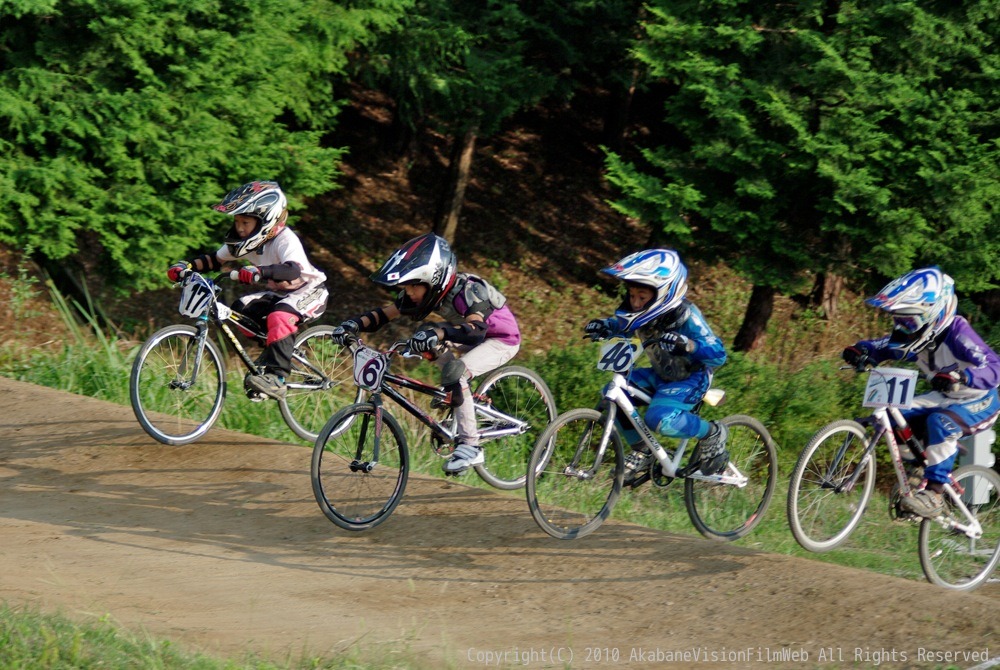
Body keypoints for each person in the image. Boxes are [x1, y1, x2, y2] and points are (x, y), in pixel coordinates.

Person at [330, 232, 521, 475]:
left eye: (412, 286)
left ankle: (470, 445)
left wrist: (440, 334)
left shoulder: (469, 291)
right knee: (425, 335)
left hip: (500, 340)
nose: (407, 292)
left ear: (434, 280)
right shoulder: (426, 293)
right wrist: (352, 324)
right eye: (405, 286)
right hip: (469, 336)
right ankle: (454, 392)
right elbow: (382, 314)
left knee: (453, 369)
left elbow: (476, 330)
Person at [842, 267, 1000, 518]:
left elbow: (994, 367)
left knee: (941, 421)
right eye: (898, 320)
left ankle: (935, 494)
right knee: (895, 415)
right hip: (947, 396)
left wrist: (963, 376)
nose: (903, 328)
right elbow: (885, 346)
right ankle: (920, 469)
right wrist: (862, 350)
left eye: (909, 321)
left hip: (980, 399)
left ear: (934, 316)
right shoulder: (919, 337)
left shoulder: (958, 334)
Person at [167, 180, 328, 400]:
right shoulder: (246, 242)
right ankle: (278, 351)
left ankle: (277, 378)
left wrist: (260, 271)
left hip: (310, 291)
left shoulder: (285, 240)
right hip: (279, 294)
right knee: (238, 311)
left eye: (245, 222)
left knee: (280, 315)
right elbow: (214, 260)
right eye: (237, 221)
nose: (240, 227)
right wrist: (186, 266)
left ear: (265, 220)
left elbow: (292, 271)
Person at [584, 248, 729, 480]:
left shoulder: (687, 316)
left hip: (691, 378)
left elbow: (719, 354)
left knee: (658, 418)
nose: (635, 303)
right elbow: (620, 325)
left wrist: (690, 345)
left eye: (642, 297)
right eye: (632, 296)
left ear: (663, 293)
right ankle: (643, 452)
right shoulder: (639, 314)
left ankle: (712, 432)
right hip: (660, 374)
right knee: (613, 394)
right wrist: (604, 325)